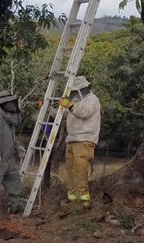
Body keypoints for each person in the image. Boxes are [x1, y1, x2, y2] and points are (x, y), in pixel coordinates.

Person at [59, 76, 101, 207]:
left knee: (80, 170)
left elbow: (84, 113)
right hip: (72, 139)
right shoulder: (77, 102)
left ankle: (84, 201)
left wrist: (70, 105)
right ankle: (72, 198)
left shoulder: (92, 100)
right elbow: (66, 113)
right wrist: (49, 108)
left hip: (84, 140)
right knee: (71, 170)